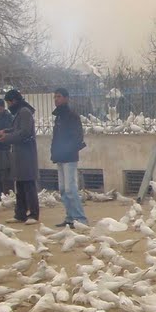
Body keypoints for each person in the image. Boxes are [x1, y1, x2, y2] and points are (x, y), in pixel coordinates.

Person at [0, 89, 39, 224]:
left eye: (8, 103)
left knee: (28, 184)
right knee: (20, 185)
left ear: (14, 101)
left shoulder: (24, 112)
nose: (8, 106)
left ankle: (33, 214)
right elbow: (17, 129)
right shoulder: (20, 112)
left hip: (26, 153)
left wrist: (7, 137)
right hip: (20, 154)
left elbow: (25, 132)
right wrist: (6, 131)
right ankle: (20, 214)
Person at [51, 88, 88, 227]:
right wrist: (54, 153)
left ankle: (80, 219)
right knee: (62, 189)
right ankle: (70, 218)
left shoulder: (72, 116)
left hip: (70, 157)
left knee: (70, 189)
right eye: (55, 97)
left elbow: (78, 136)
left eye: (59, 97)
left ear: (66, 98)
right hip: (59, 156)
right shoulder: (58, 117)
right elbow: (56, 138)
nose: (56, 99)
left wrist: (68, 149)